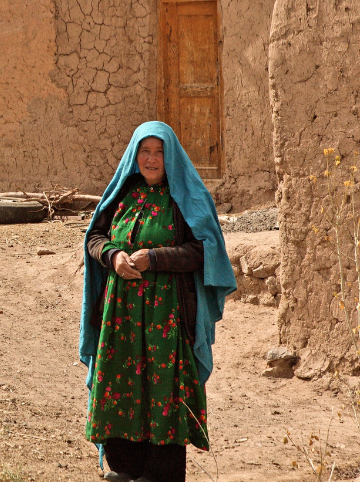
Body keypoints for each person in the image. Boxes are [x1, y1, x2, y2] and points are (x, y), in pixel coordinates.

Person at [79, 121, 236, 482]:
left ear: (171, 157)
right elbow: (96, 236)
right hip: (120, 315)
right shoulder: (123, 192)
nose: (151, 159)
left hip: (166, 315)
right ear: (135, 156)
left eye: (159, 151)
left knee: (163, 388)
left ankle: (159, 473)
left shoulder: (186, 197)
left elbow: (205, 251)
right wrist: (114, 256)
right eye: (145, 151)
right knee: (121, 385)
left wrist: (156, 258)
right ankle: (124, 467)